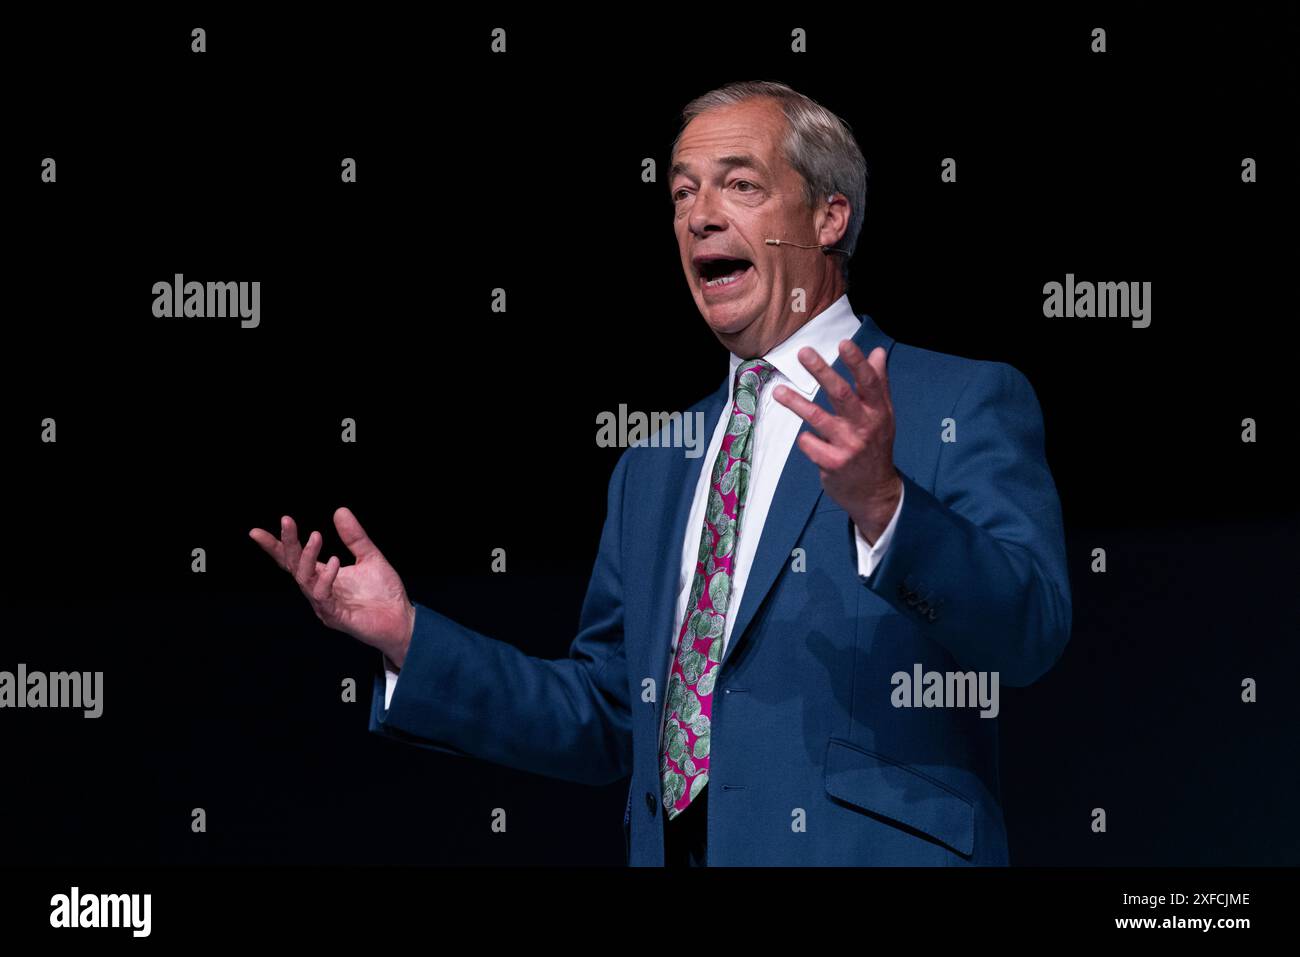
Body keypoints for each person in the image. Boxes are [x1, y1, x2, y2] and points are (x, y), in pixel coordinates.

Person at [250, 80, 1071, 866]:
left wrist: (886, 505)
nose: (700, 217)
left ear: (829, 216)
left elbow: (1028, 632)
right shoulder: (653, 466)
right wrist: (408, 637)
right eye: (680, 194)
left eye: (739, 185)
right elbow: (609, 715)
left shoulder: (956, 399)